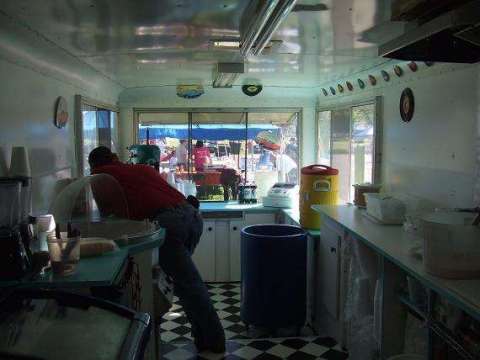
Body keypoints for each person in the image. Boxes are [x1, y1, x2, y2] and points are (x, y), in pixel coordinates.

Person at [87, 146, 225, 353]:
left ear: (93, 165)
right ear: (115, 157)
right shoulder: (141, 168)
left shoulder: (100, 176)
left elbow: (110, 216)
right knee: (186, 285)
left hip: (170, 224)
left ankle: (214, 341)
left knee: (189, 285)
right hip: (192, 216)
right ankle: (203, 337)